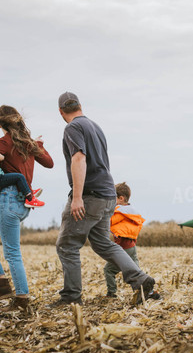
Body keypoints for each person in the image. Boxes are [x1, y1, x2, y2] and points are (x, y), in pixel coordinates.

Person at [52, 92, 160, 306]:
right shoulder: (95, 126)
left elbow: (79, 158)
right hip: (108, 195)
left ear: (61, 111)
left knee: (67, 245)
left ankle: (71, 297)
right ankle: (140, 279)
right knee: (103, 244)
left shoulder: (72, 127)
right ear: (80, 105)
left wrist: (77, 197)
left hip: (90, 195)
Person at [0, 106, 54, 313]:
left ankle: (21, 300)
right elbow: (50, 163)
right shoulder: (27, 143)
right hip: (23, 202)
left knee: (12, 253)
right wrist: (38, 146)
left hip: (9, 200)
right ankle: (1, 284)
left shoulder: (3, 142)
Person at [103, 182, 145, 297]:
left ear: (121, 198)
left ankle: (111, 293)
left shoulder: (120, 212)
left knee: (109, 270)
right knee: (136, 272)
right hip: (132, 247)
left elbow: (108, 222)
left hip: (123, 248)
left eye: (113, 198)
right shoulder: (132, 211)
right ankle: (141, 292)